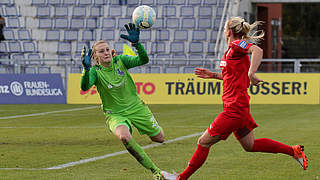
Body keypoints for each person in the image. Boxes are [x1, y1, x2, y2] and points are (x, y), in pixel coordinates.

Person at [163, 17, 308, 180]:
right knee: (250, 145)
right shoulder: (230, 51)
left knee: (203, 142)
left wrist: (251, 73)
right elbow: (232, 76)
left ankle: (180, 178)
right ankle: (294, 151)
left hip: (235, 108)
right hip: (240, 107)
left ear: (229, 32)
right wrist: (214, 75)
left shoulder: (236, 44)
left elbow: (257, 51)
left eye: (225, 29)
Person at [80, 23, 168, 180]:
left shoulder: (121, 61)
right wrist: (86, 70)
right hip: (115, 114)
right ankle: (155, 172)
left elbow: (143, 59)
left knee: (159, 138)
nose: (106, 53)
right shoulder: (94, 72)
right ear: (95, 56)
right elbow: (85, 86)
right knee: (124, 137)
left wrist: (136, 44)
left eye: (107, 49)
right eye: (101, 51)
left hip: (137, 108)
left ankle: (147, 129)